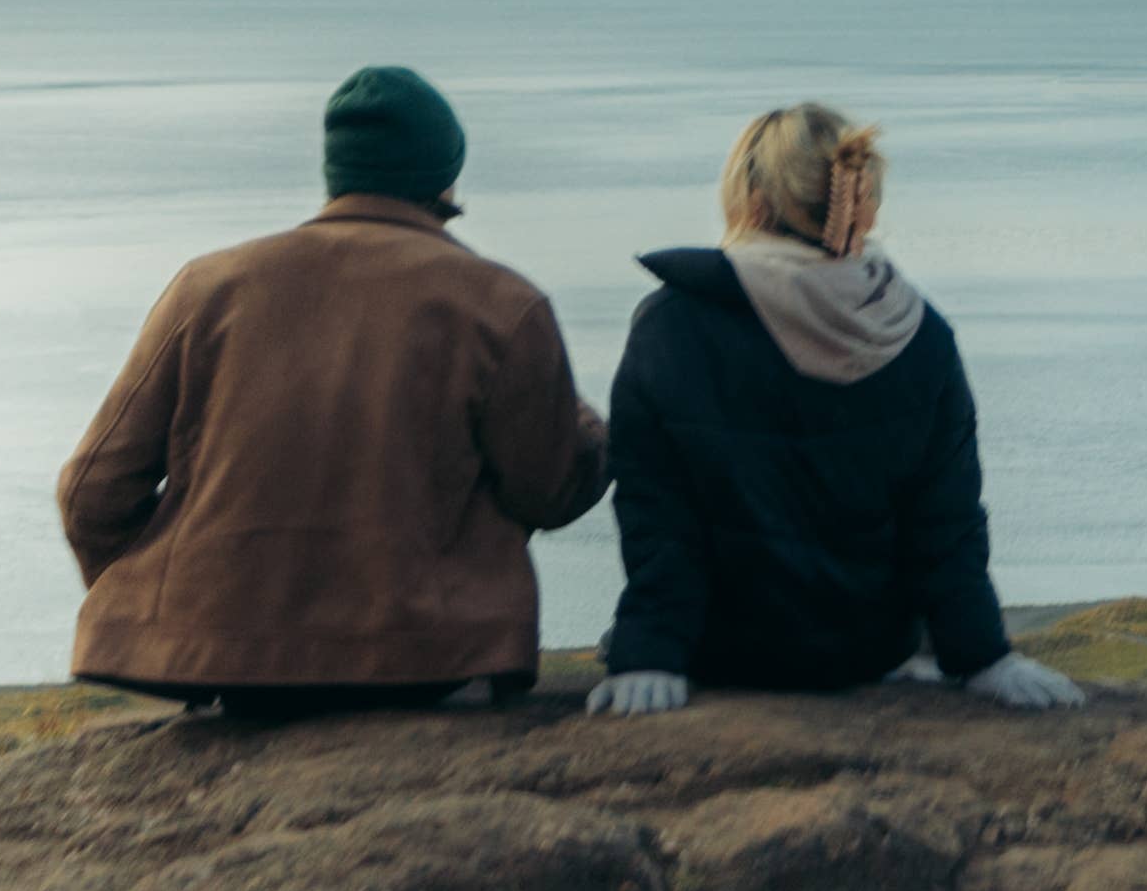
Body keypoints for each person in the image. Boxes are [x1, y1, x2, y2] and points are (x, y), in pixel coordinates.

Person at [54, 61, 608, 716]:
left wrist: (169, 611)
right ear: (444, 175)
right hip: (431, 662)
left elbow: (91, 488)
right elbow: (547, 489)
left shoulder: (208, 287)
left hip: (228, 664)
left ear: (335, 171)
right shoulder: (500, 304)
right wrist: (587, 425)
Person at [585, 100, 1082, 714]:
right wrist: (983, 657)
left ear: (753, 201)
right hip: (870, 653)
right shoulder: (916, 331)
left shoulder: (672, 324)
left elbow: (657, 513)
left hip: (721, 654)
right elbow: (945, 522)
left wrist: (649, 653)